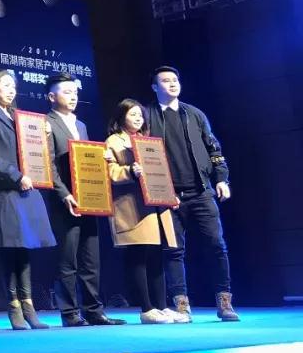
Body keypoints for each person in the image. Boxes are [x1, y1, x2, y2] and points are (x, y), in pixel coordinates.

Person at [147, 66, 239, 322]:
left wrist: (221, 179)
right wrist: (161, 191)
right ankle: (181, 306)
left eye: (175, 80)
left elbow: (214, 149)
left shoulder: (194, 114)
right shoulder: (147, 115)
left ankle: (225, 302)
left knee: (216, 245)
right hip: (168, 196)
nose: (172, 84)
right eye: (165, 81)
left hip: (201, 192)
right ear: (154, 87)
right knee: (173, 251)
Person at [43, 73, 125, 327]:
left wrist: (103, 159)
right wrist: (63, 194)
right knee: (67, 259)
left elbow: (85, 161)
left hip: (89, 199)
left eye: (75, 92)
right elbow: (48, 165)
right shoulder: (46, 123)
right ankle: (69, 313)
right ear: (51, 96)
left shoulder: (81, 125)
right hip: (65, 200)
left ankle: (93, 310)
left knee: (91, 258)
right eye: (66, 92)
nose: (73, 96)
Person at [0, 69, 56, 331]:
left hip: (26, 188)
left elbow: (36, 152)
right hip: (4, 189)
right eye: (5, 84)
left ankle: (29, 305)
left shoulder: (21, 117)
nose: (11, 90)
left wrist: (45, 136)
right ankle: (13, 306)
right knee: (9, 250)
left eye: (13, 85)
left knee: (25, 249)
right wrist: (16, 175)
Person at [104, 99, 186, 324]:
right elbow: (109, 171)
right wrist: (129, 171)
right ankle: (146, 308)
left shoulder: (148, 141)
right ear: (121, 117)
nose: (138, 118)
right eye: (132, 114)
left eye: (140, 114)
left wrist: (170, 195)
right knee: (138, 256)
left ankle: (161, 306)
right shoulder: (113, 141)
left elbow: (161, 172)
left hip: (155, 206)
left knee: (156, 256)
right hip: (132, 206)